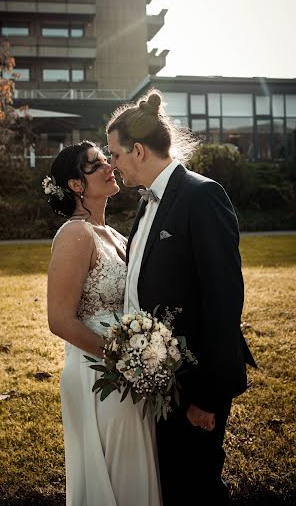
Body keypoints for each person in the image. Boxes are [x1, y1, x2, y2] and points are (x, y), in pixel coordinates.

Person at [106, 90, 257, 506]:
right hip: (159, 380)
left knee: (198, 488)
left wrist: (206, 397)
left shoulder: (201, 195)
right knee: (171, 483)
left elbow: (223, 299)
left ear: (137, 150)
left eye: (114, 154)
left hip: (196, 384)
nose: (112, 165)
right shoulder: (146, 203)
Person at [46, 141, 162, 506]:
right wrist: (122, 358)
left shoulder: (113, 235)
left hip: (126, 371)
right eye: (96, 164)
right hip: (96, 373)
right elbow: (59, 319)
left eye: (107, 159)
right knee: (113, 473)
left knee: (132, 466)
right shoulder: (74, 235)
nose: (110, 165)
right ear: (76, 185)